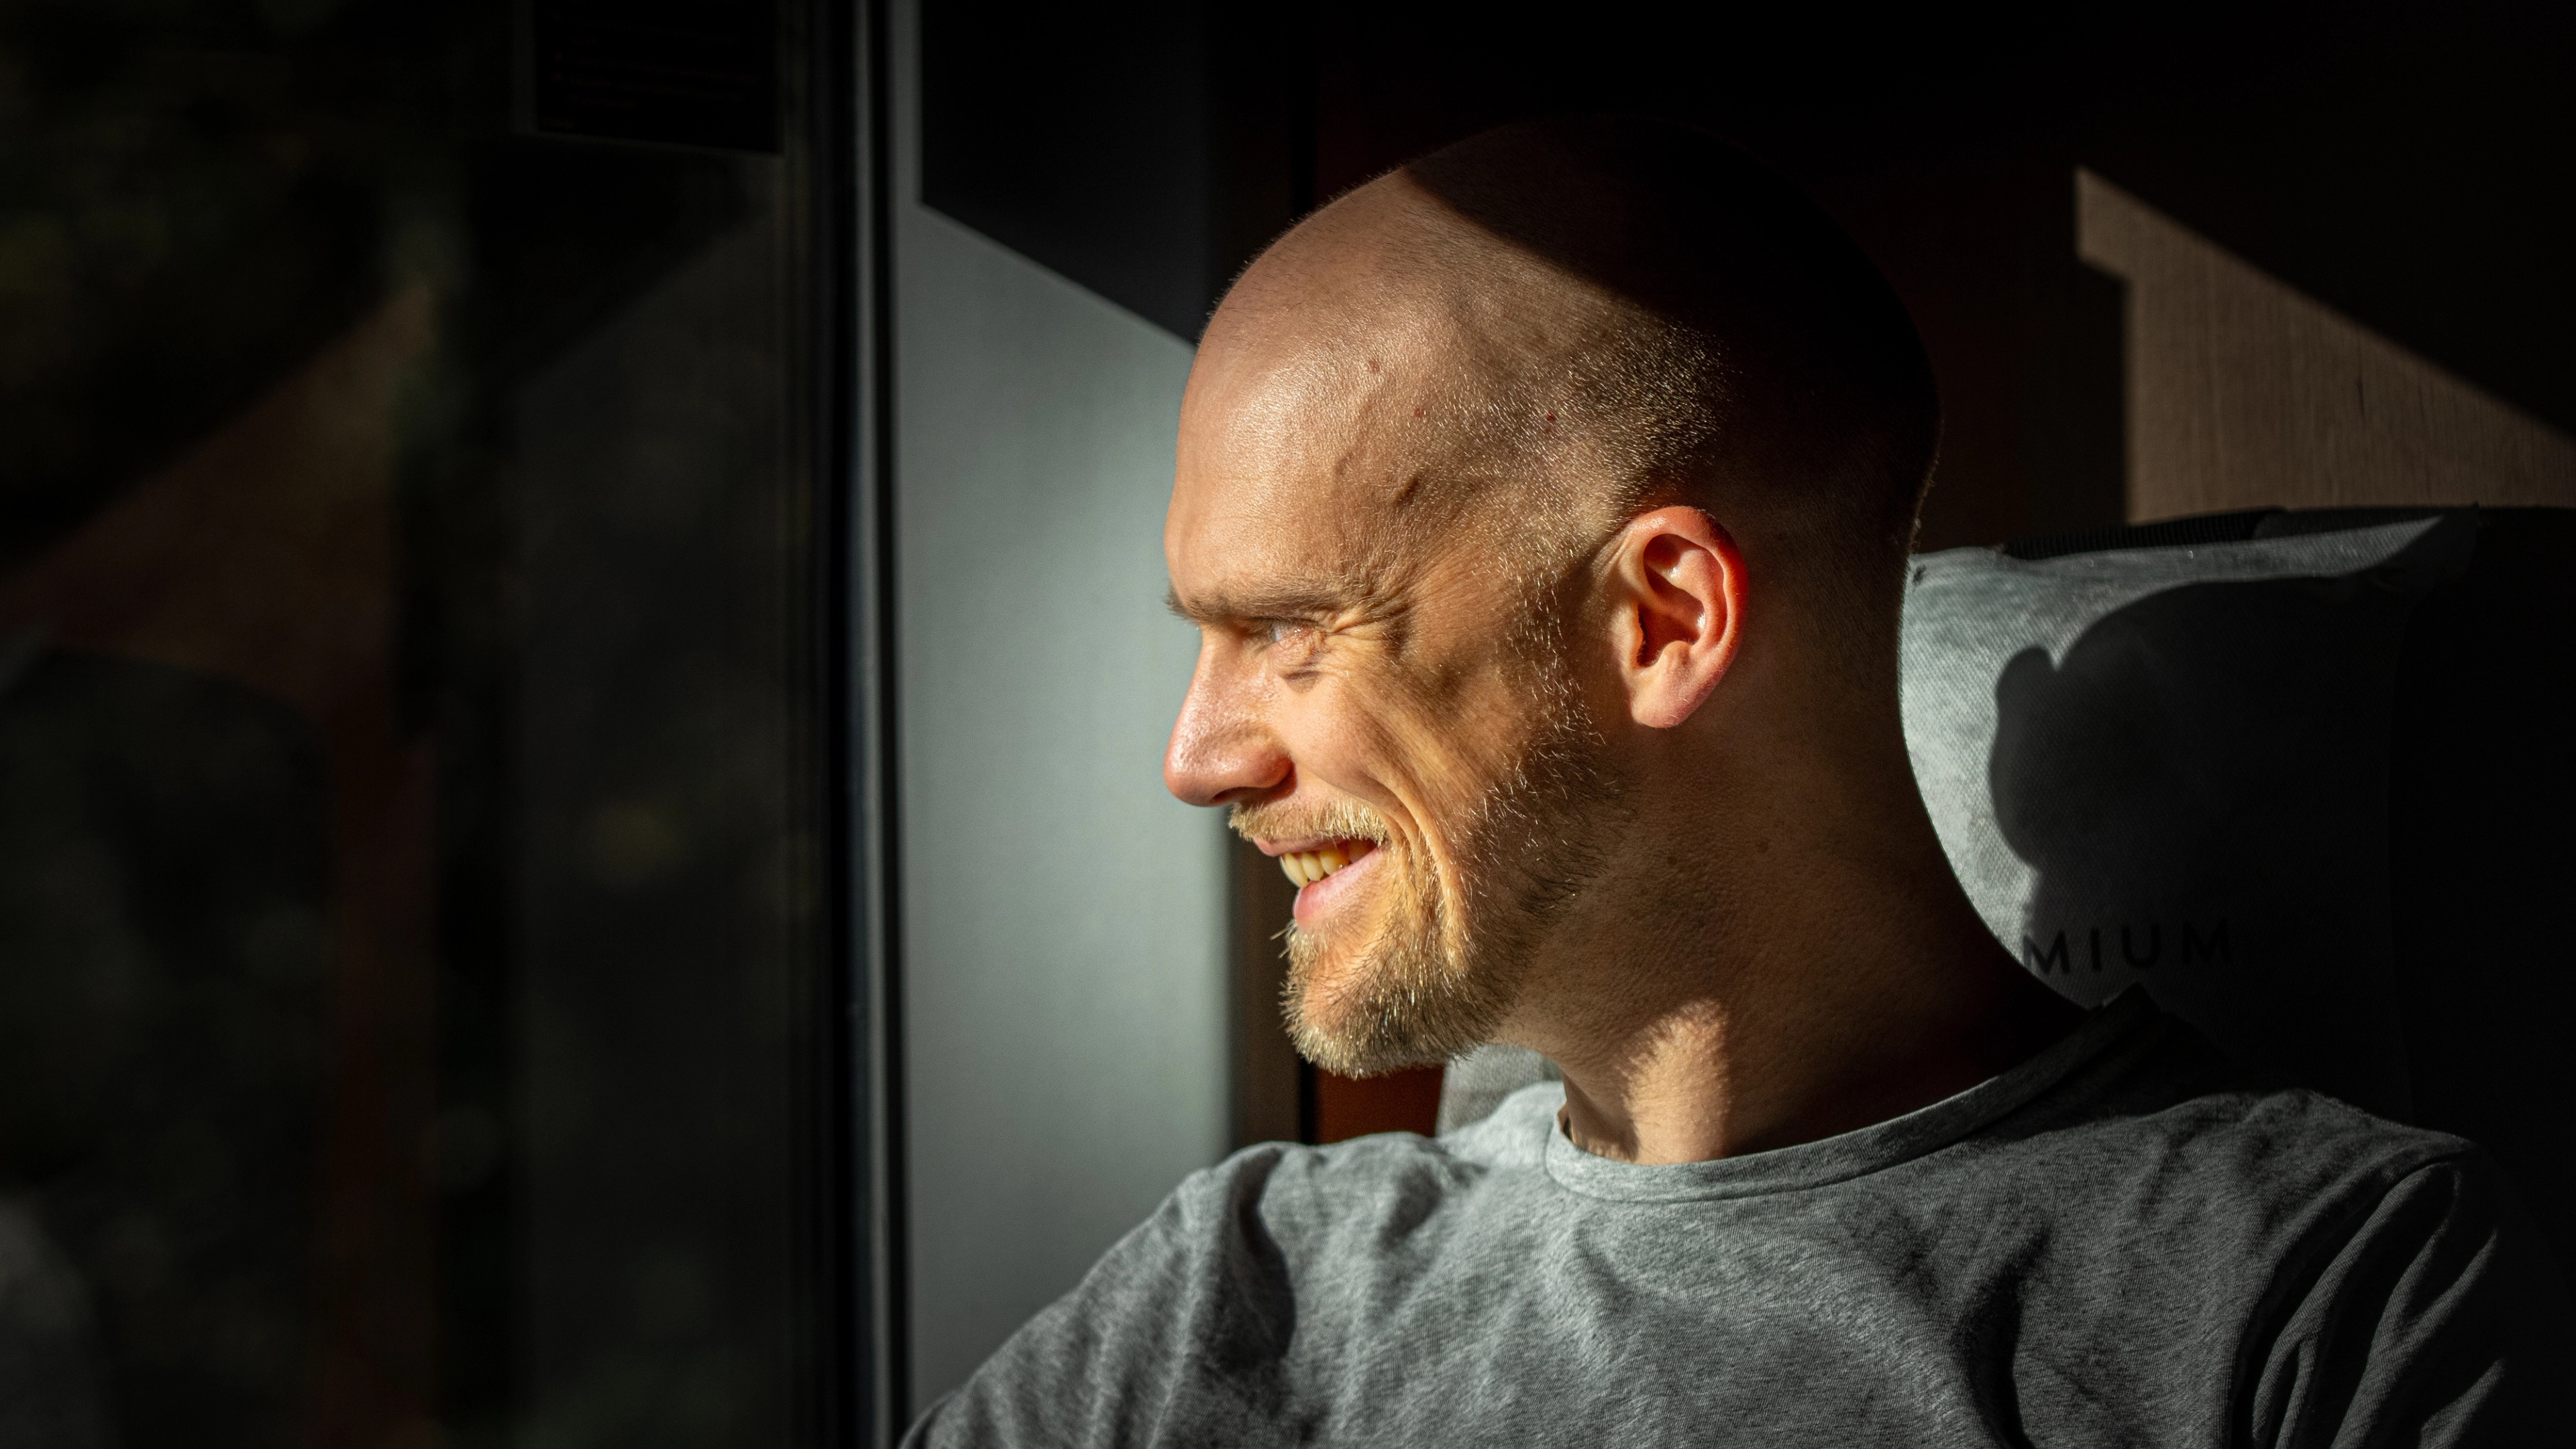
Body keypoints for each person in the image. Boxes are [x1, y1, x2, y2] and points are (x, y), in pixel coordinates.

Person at [904, 117, 2567, 1446]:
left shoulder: (2318, 1301)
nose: (1195, 760)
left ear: (1663, 619)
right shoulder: (1236, 1288)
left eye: (1289, 632)